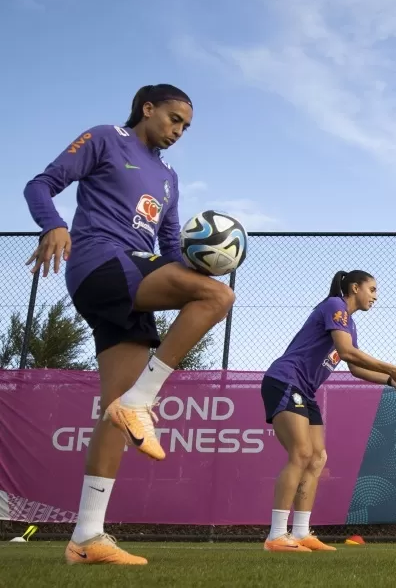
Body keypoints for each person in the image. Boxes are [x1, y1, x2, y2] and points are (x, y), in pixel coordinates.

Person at [23, 84, 236, 566]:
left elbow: (170, 245)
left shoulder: (169, 178)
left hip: (133, 275)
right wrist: (52, 223)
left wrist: (206, 260)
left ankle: (86, 537)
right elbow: (40, 183)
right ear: (148, 108)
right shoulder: (105, 138)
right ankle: (141, 402)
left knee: (113, 414)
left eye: (186, 125)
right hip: (99, 260)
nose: (179, 130)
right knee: (217, 297)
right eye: (174, 118)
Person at [260, 270, 396, 552]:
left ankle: (299, 533)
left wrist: (391, 381)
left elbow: (355, 368)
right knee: (301, 453)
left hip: (304, 390)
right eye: (372, 289)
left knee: (317, 457)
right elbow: (347, 353)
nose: (376, 296)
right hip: (285, 380)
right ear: (355, 287)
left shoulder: (349, 324)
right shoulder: (335, 305)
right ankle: (275, 536)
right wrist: (394, 368)